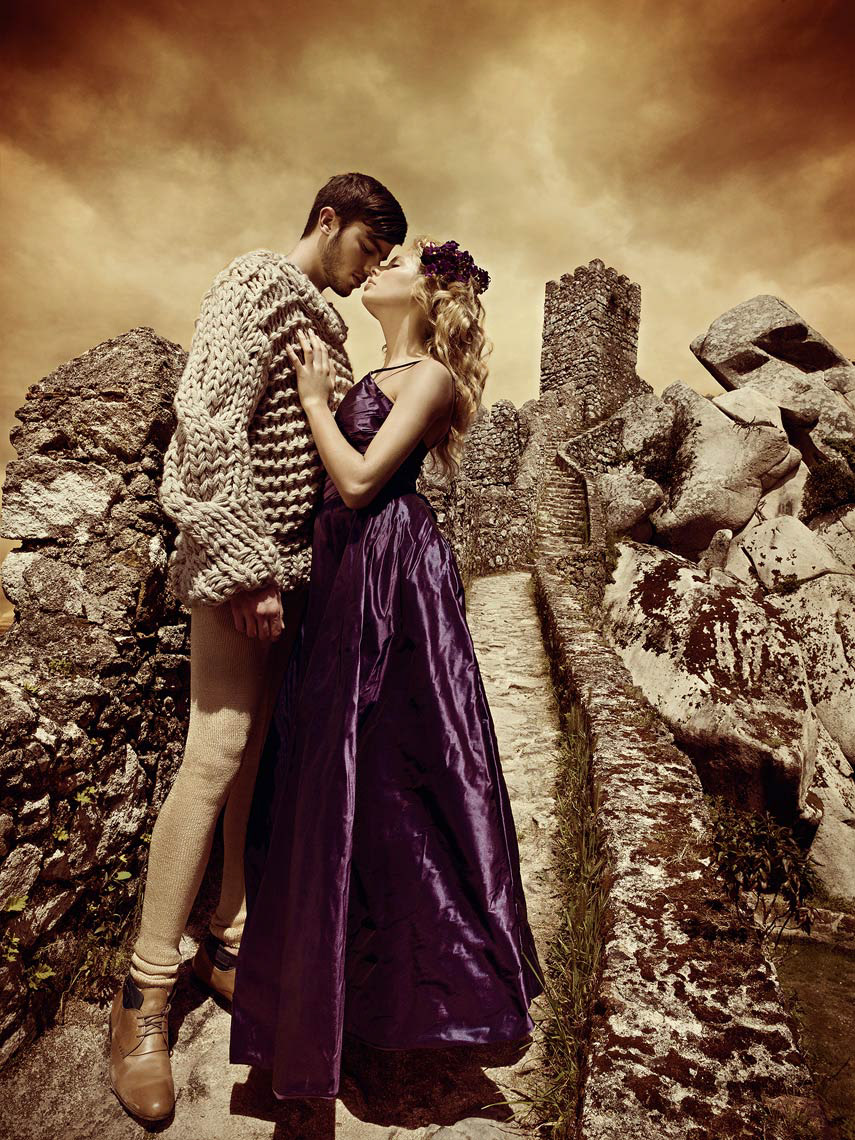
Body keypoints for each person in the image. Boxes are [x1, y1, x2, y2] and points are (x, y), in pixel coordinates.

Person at [107, 173, 407, 1124]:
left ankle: (231, 938)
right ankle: (144, 995)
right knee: (216, 753)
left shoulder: (330, 330)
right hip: (245, 571)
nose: (370, 269)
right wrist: (244, 566)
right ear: (328, 220)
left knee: (258, 761)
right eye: (367, 247)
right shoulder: (256, 284)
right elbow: (207, 423)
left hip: (297, 578)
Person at [229, 237, 545, 1100]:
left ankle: (425, 997)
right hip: (344, 572)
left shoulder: (429, 377)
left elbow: (362, 482)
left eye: (396, 262)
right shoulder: (369, 374)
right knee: (335, 780)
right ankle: (337, 997)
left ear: (429, 294)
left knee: (403, 775)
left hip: (393, 575)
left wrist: (312, 403)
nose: (376, 268)